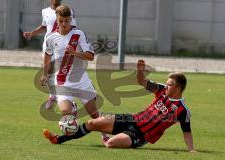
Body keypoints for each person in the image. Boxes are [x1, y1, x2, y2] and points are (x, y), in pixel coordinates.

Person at [43, 59, 196, 152]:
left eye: (170, 85)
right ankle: (58, 139)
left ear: (178, 88)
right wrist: (139, 72)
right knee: (92, 123)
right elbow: (142, 82)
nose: (166, 86)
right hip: (132, 119)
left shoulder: (182, 110)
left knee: (110, 144)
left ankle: (122, 137)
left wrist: (191, 150)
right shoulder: (161, 90)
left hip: (140, 135)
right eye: (167, 84)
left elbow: (187, 132)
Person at [39, 5, 109, 143]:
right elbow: (47, 55)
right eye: (61, 21)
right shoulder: (51, 37)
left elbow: (90, 56)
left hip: (80, 81)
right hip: (62, 81)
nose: (64, 24)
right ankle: (72, 107)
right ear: (57, 20)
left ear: (70, 19)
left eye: (67, 20)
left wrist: (75, 53)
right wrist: (44, 74)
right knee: (65, 112)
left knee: (94, 114)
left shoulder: (78, 34)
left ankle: (105, 136)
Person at [23, 0, 77, 109]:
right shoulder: (45, 11)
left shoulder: (68, 11)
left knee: (62, 72)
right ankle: (53, 96)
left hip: (61, 46)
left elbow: (73, 27)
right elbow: (44, 26)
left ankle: (67, 100)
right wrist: (32, 33)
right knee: (48, 71)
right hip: (48, 45)